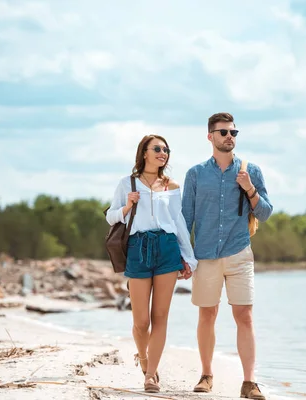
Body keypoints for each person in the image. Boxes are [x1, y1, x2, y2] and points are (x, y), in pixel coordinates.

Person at [182, 112, 273, 399]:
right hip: (205, 254)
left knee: (244, 316)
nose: (229, 137)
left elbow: (266, 212)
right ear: (210, 136)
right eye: (222, 132)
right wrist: (183, 257)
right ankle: (207, 374)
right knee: (207, 314)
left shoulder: (252, 171)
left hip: (239, 253)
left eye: (233, 132)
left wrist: (250, 189)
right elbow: (186, 218)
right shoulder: (195, 174)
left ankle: (249, 382)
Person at [105, 134, 196, 393]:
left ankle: (151, 375)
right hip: (138, 249)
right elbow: (111, 217)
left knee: (160, 317)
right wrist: (127, 206)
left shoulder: (172, 185)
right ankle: (144, 359)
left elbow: (178, 223)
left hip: (167, 249)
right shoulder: (127, 183)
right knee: (141, 321)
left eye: (166, 149)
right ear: (144, 152)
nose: (162, 153)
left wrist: (188, 258)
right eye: (157, 148)